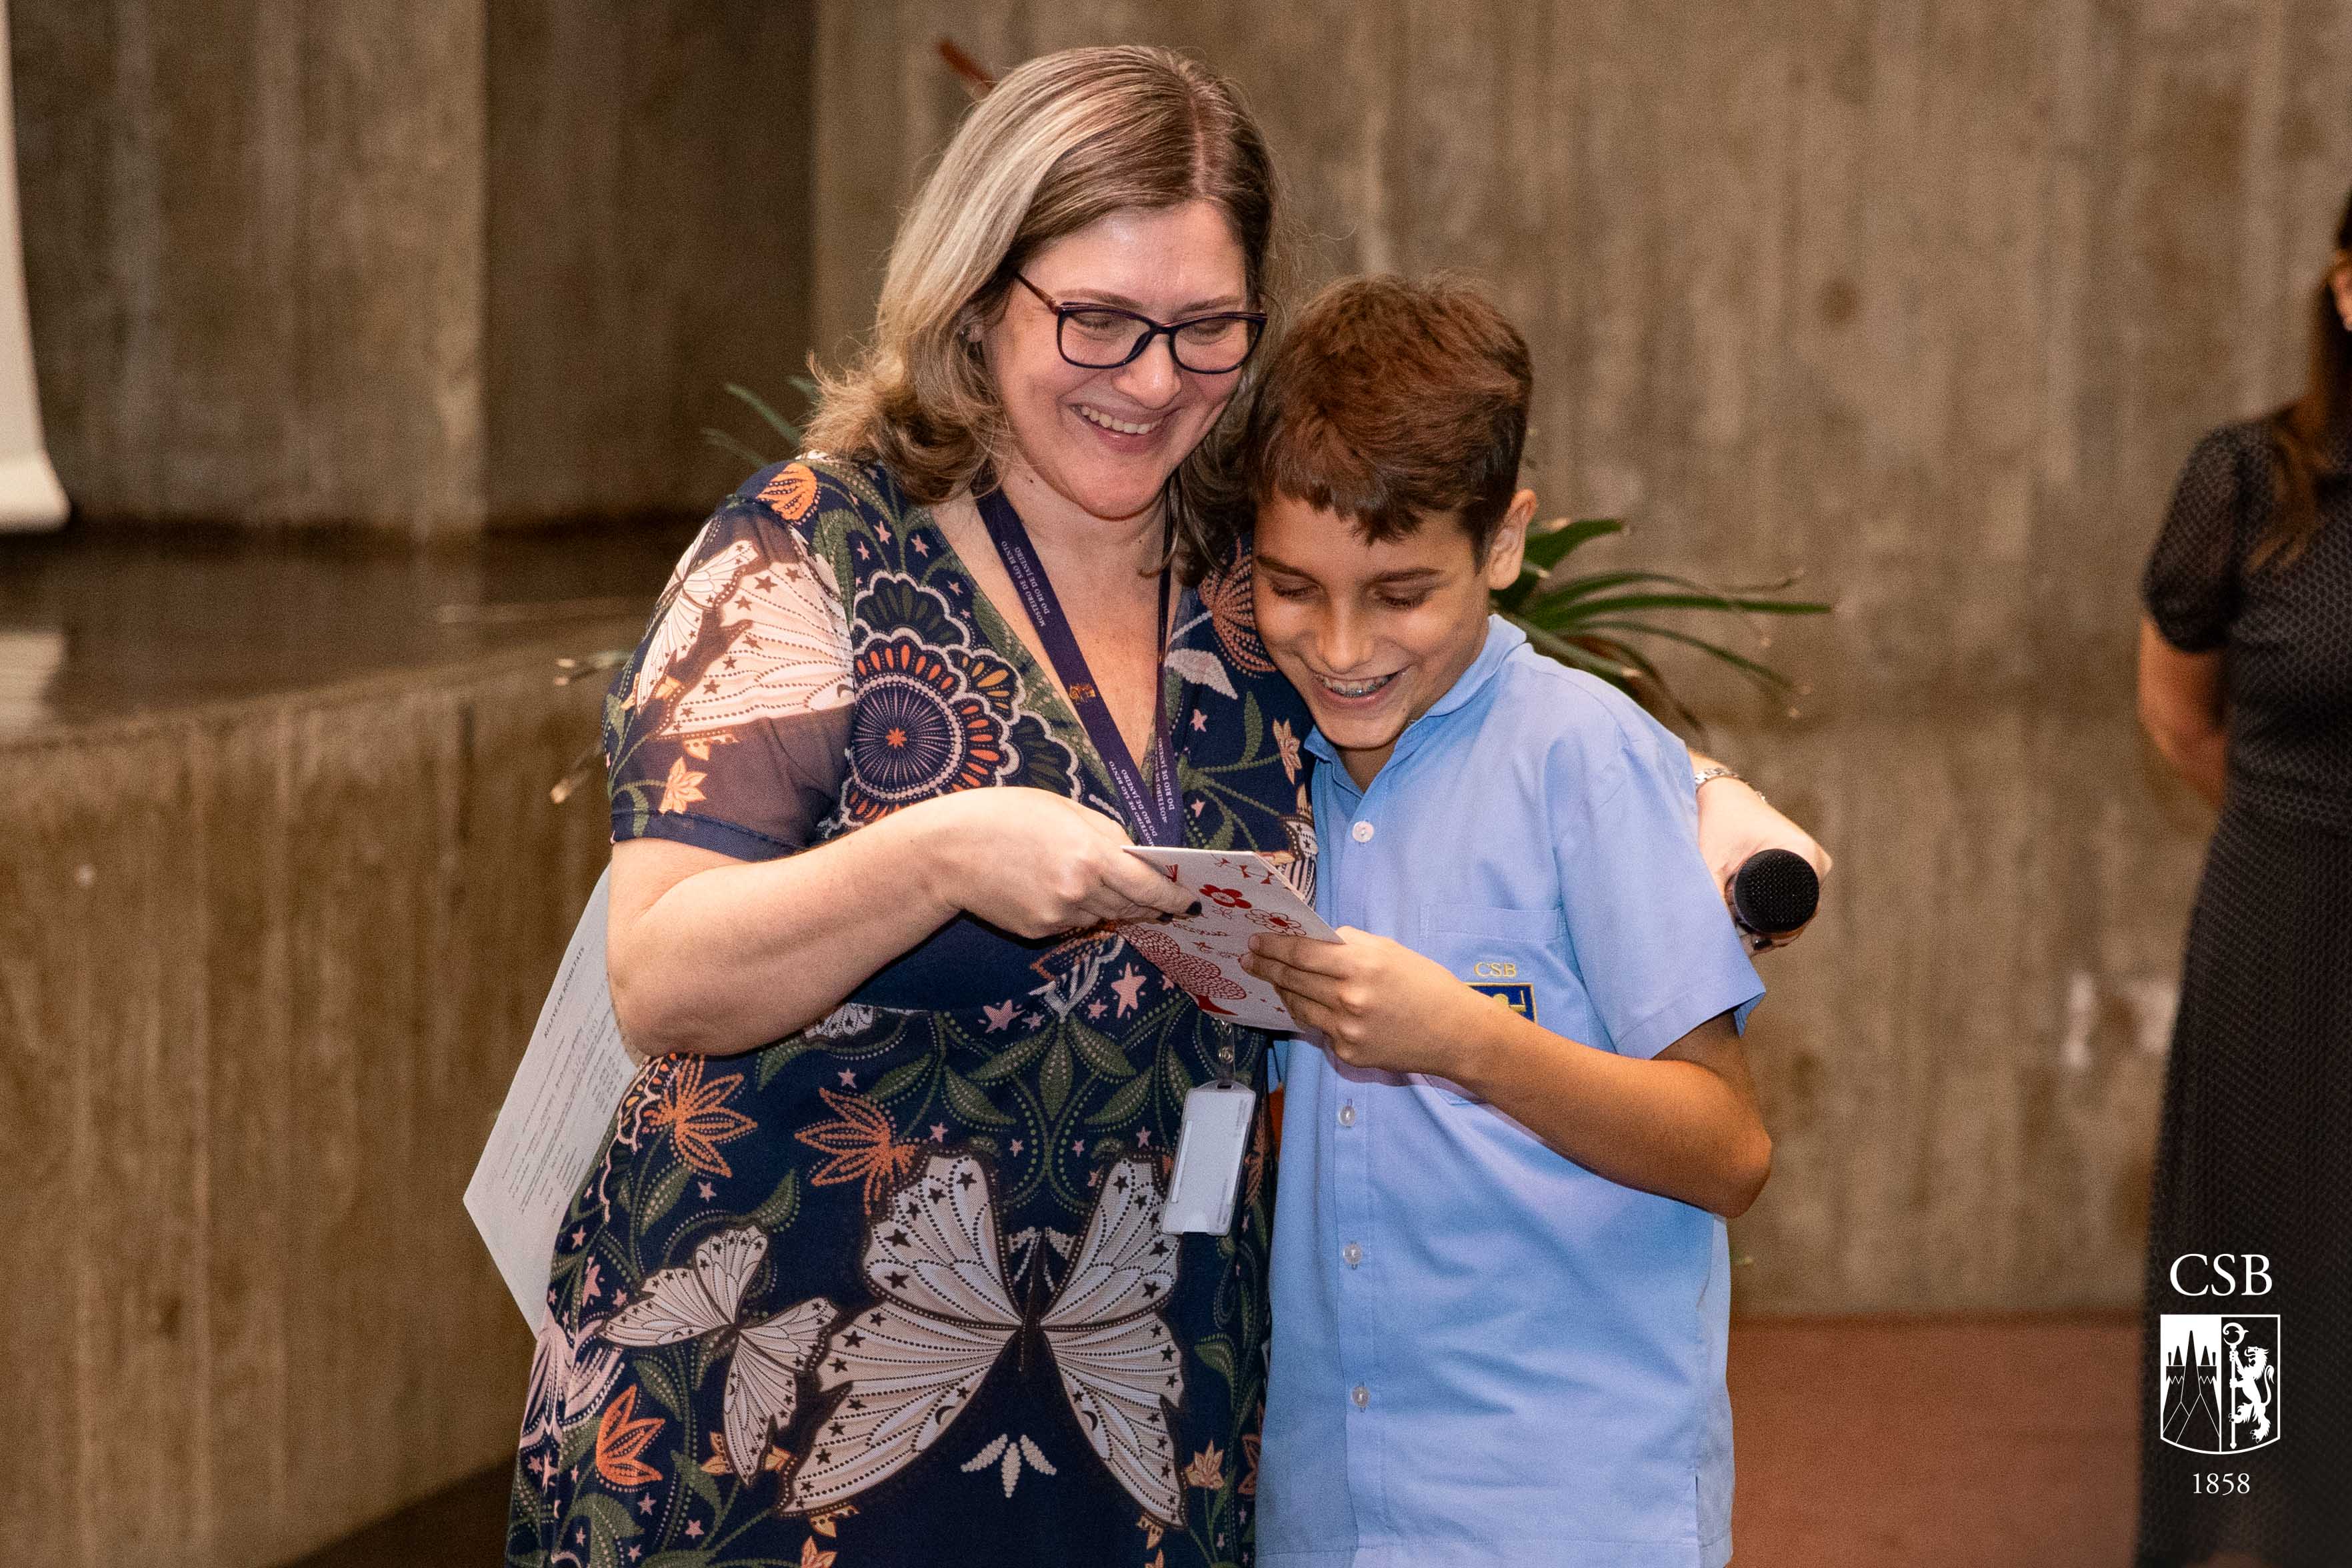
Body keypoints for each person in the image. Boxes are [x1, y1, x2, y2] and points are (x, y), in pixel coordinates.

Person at [507, 46, 1823, 1568]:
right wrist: (940, 854)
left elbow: (1479, 695)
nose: (1149, 380)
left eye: (1205, 332)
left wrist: (1709, 798)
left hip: (1141, 1422)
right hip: (780, 1410)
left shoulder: (1248, 578)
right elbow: (661, 970)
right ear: (984, 293)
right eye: (1100, 321)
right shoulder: (809, 553)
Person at [1238, 275, 1773, 1568]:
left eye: (1402, 592)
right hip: (1329, 1505)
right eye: (1292, 589)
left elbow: (1727, 1147)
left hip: (1568, 1506)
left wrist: (1467, 1040)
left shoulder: (1582, 760)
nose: (1343, 645)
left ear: (1506, 542)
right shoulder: (1260, 767)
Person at [2133, 185, 2352, 1568]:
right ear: (2345, 287)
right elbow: (2177, 718)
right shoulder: (2249, 482)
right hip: (2282, 907)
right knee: (2238, 1247)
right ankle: (2220, 1534)